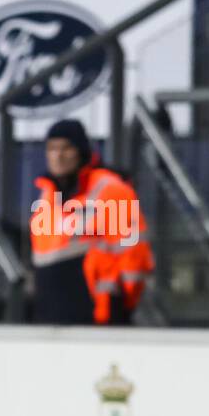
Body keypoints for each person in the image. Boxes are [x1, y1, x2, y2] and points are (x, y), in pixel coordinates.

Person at [30, 119, 153, 325]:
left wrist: (118, 305)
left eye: (66, 148)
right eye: (51, 148)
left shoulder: (110, 189)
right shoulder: (47, 195)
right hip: (51, 314)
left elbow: (134, 255)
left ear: (81, 151)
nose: (58, 156)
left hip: (99, 315)